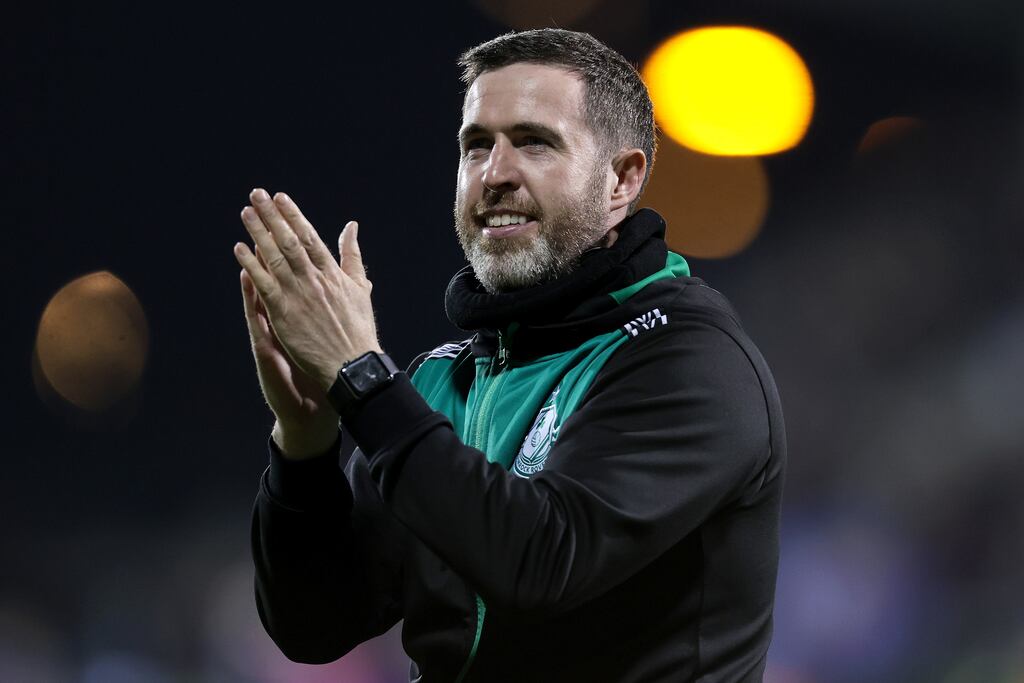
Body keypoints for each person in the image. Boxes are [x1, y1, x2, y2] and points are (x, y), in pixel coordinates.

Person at [235, 28, 786, 683]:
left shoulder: (691, 360)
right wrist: (303, 445)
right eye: (477, 147)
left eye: (533, 142)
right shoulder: (442, 380)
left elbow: (544, 561)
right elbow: (316, 625)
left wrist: (363, 381)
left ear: (621, 179)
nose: (495, 174)